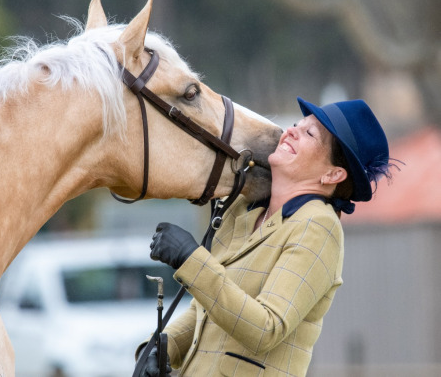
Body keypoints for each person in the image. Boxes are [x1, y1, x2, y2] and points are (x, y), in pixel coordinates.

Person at [138, 97, 395, 376]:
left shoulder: (318, 226)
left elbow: (266, 327)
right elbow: (205, 311)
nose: (292, 130)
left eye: (309, 133)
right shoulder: (240, 209)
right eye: (298, 124)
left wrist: (191, 258)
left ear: (333, 174)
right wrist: (162, 346)